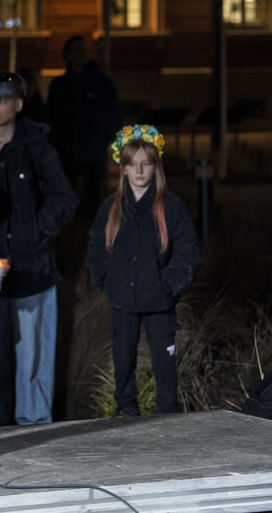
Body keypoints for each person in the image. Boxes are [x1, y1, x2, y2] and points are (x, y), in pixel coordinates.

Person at [0, 71, 77, 426]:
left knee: (34, 360)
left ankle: (34, 429)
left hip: (33, 269)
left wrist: (38, 230)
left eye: (2, 100)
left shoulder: (38, 148)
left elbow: (64, 198)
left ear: (19, 104)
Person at [86, 124, 199, 416]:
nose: (139, 170)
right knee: (123, 361)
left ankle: (167, 417)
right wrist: (107, 280)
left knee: (164, 366)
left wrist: (167, 284)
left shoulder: (171, 207)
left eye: (145, 164)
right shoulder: (110, 208)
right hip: (122, 301)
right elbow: (96, 247)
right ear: (123, 168)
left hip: (160, 302)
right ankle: (126, 413)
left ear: (155, 166)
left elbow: (187, 251)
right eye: (133, 164)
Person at [47, 35, 124, 217]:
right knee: (68, 199)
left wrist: (103, 139)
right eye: (77, 49)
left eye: (84, 49)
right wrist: (57, 142)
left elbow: (115, 114)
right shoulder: (60, 86)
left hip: (93, 153)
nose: (82, 53)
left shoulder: (101, 83)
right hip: (67, 153)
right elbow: (51, 117)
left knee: (92, 200)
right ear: (67, 55)